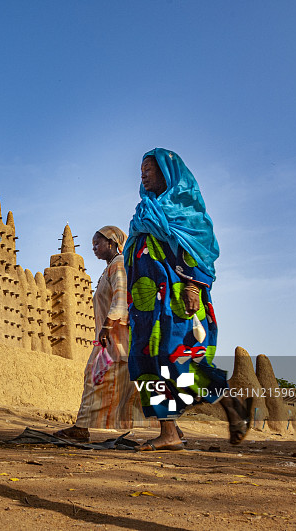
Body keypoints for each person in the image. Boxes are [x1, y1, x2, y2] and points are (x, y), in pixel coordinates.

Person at [125, 148, 250, 451]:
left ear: (168, 173)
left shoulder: (186, 212)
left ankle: (230, 402)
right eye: (142, 170)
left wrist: (194, 286)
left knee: (177, 357)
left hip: (175, 299)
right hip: (144, 305)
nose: (143, 175)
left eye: (149, 169)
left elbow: (200, 253)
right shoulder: (144, 210)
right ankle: (169, 431)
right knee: (145, 362)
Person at [54, 226, 150, 442]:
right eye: (92, 244)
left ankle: (81, 428)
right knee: (117, 380)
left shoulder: (118, 265)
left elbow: (121, 296)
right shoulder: (110, 267)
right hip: (111, 336)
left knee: (102, 377)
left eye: (98, 243)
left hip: (115, 335)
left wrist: (107, 326)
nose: (94, 248)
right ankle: (82, 427)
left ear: (112, 243)